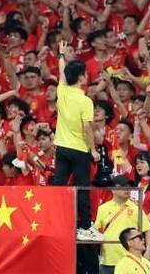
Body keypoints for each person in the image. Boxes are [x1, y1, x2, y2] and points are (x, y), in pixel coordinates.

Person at [53, 41, 102, 241]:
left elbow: (61, 73)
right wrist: (93, 150)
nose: (87, 75)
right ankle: (85, 227)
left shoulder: (61, 91)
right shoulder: (85, 101)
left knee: (59, 185)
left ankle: (55, 221)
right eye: (85, 73)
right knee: (82, 187)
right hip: (79, 150)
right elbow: (87, 128)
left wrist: (61, 55)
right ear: (81, 77)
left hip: (61, 148)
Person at [94, 175, 150, 274]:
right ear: (113, 189)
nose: (127, 189)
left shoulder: (135, 208)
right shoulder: (103, 208)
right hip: (108, 260)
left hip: (130, 261)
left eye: (128, 186)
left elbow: (148, 231)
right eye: (123, 185)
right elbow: (96, 231)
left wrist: (148, 251)